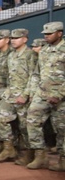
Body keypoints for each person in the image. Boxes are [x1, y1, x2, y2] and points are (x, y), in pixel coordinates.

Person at [23, 21, 65, 170]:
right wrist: (33, 93)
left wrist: (60, 94)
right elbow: (36, 73)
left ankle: (63, 159)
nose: (46, 36)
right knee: (32, 119)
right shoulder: (44, 51)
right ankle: (40, 155)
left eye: (49, 34)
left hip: (61, 97)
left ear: (59, 34)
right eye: (45, 34)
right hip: (42, 94)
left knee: (62, 128)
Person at [0, 29, 38, 163]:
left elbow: (34, 77)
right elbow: (9, 76)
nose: (13, 40)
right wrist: (7, 92)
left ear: (25, 39)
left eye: (17, 38)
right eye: (12, 38)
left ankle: (31, 154)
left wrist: (26, 95)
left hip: (24, 95)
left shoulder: (31, 55)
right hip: (10, 94)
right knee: (0, 118)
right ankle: (9, 148)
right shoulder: (11, 55)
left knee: (25, 126)